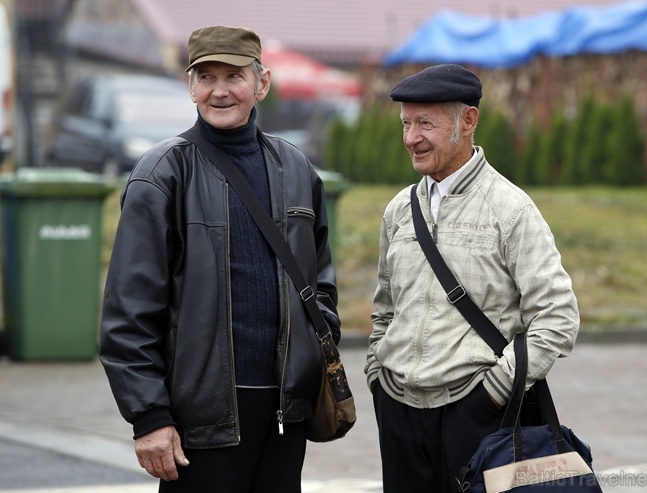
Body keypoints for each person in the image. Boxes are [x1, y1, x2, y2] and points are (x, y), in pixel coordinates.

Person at [98, 25, 341, 493]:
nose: (220, 90)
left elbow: (321, 279)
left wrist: (311, 356)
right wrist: (149, 416)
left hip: (284, 418)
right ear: (190, 86)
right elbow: (128, 315)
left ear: (262, 83)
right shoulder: (161, 173)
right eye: (206, 77)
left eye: (234, 76)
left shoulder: (297, 169)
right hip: (200, 422)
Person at [364, 64, 579, 492]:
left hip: (476, 413)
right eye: (406, 123)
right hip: (399, 414)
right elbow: (384, 310)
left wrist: (494, 391)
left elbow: (558, 318)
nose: (411, 138)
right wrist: (377, 373)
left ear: (468, 120)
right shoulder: (398, 211)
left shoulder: (511, 209)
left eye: (426, 123)